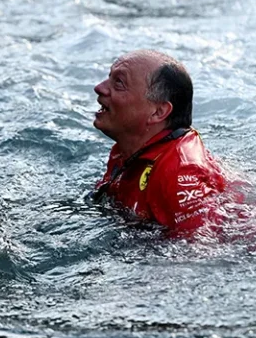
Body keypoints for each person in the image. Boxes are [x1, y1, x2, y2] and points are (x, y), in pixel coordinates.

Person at [89, 50, 227, 230]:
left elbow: (202, 252)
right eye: (109, 78)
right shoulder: (130, 148)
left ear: (158, 112)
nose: (99, 87)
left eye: (119, 83)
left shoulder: (178, 174)